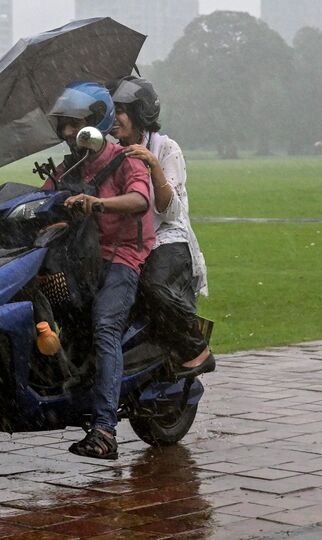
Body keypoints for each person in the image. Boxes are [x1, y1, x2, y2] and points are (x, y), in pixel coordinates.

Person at [42, 81, 156, 460]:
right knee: (55, 308)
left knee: (105, 325)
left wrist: (97, 203)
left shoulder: (126, 159)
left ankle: (105, 430)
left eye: (74, 124)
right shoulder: (69, 165)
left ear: (96, 120)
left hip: (122, 254)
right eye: (64, 125)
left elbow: (141, 199)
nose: (67, 132)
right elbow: (43, 197)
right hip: (81, 258)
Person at [109, 76, 214, 378]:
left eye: (121, 110)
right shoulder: (113, 154)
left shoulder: (166, 148)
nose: (114, 119)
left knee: (153, 286)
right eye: (111, 111)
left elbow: (171, 212)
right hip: (129, 241)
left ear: (140, 113)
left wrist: (153, 165)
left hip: (167, 238)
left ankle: (196, 348)